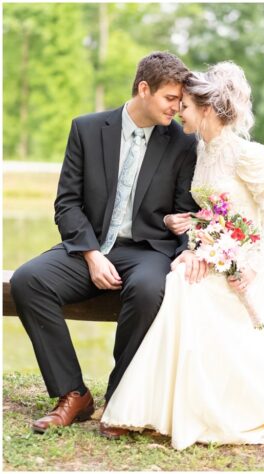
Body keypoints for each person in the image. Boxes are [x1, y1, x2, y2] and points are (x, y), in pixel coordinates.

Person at [99, 62, 264, 449]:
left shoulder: (250, 156)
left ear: (208, 109)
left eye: (184, 105)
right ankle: (159, 408)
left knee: (191, 289)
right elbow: (206, 213)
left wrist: (251, 262)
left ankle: (222, 409)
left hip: (249, 262)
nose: (178, 111)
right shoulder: (199, 149)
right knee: (181, 281)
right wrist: (188, 235)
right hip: (212, 252)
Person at [10, 52, 198, 438]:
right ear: (144, 89)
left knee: (149, 289)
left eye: (180, 101)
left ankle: (120, 399)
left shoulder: (182, 143)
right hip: (89, 247)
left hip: (148, 250)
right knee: (28, 280)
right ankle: (74, 394)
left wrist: (188, 249)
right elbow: (67, 204)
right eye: (170, 98)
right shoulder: (87, 128)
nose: (177, 108)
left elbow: (184, 212)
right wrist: (92, 254)